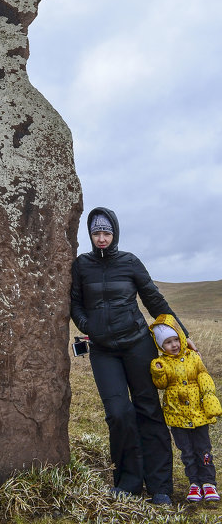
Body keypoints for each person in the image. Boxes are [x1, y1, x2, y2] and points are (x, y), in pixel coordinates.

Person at [70, 206, 195, 505]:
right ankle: (127, 483)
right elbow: (75, 303)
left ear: (115, 233)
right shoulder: (82, 265)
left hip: (138, 344)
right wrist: (90, 327)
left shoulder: (129, 262)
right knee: (118, 414)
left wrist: (182, 334)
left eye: (106, 233)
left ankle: (160, 486)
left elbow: (154, 299)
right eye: (96, 233)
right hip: (103, 351)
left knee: (148, 410)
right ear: (90, 235)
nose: (101, 238)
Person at [150, 314, 221, 502]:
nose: (174, 345)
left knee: (203, 449)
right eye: (167, 342)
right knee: (187, 452)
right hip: (177, 415)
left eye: (176, 340)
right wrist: (157, 372)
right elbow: (161, 385)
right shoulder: (162, 363)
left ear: (181, 338)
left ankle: (209, 483)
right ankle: (194, 484)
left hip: (198, 412)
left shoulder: (193, 357)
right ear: (160, 346)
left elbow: (203, 375)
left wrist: (209, 396)